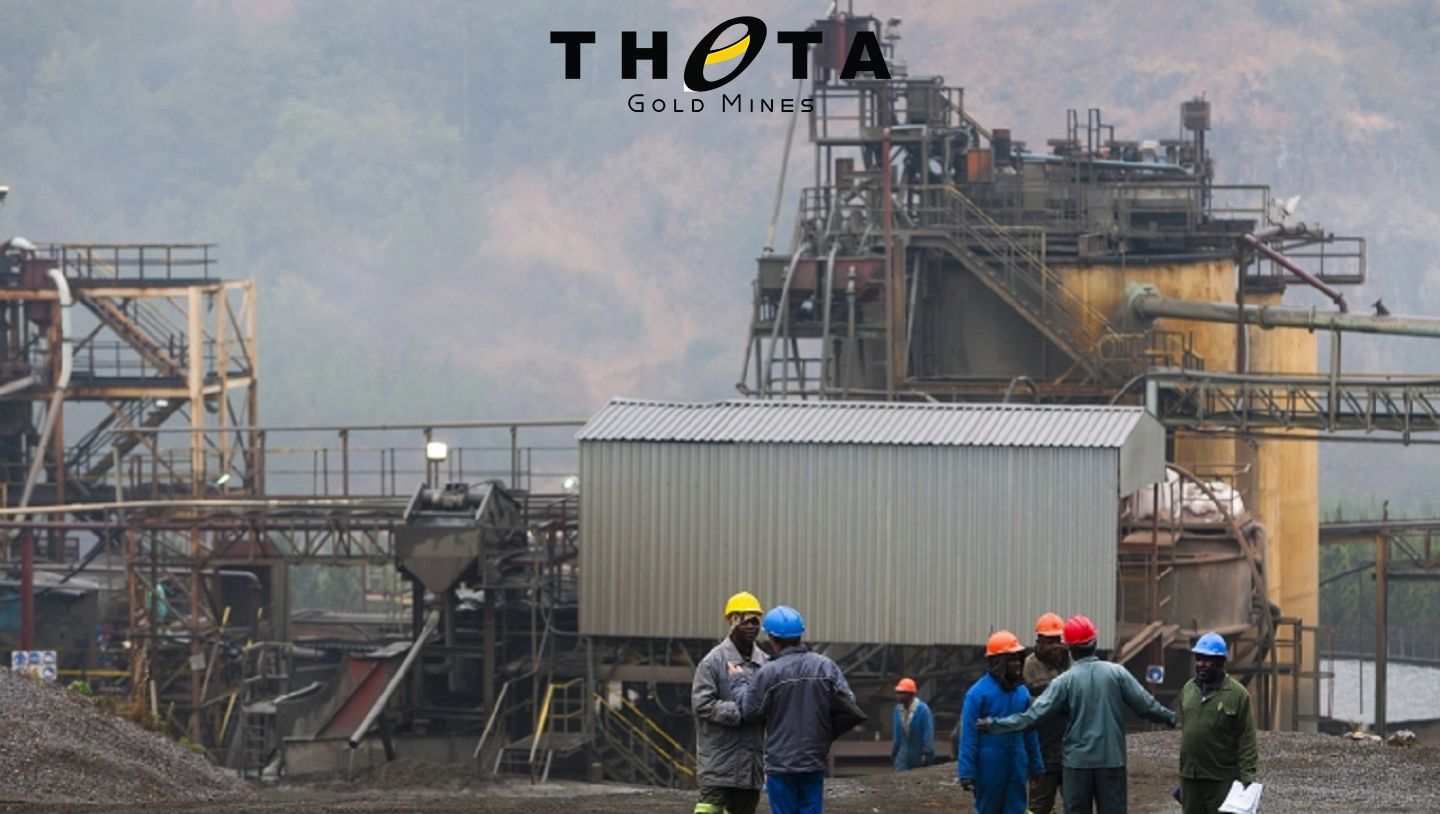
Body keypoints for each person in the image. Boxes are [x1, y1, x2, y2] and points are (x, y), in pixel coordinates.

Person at [982, 615, 1176, 814]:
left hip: (1077, 764)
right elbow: (1146, 706)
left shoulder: (1064, 681)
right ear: (1095, 642)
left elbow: (1031, 717)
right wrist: (1171, 718)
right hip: (1111, 760)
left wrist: (994, 725)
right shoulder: (1117, 673)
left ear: (1070, 648)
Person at [729, 605, 859, 814]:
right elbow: (848, 704)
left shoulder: (769, 672)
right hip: (814, 759)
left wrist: (738, 681)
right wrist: (825, 732)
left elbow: (750, 712)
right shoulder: (825, 666)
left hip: (781, 764)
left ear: (772, 639)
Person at [691, 591, 769, 814]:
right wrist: (741, 713)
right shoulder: (712, 662)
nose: (752, 627)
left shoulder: (765, 664)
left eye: (755, 622)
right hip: (718, 762)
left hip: (751, 765)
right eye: (746, 622)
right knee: (709, 810)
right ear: (733, 622)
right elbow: (702, 704)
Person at [959, 631, 1044, 814]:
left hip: (1017, 765)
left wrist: (1036, 765)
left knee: (1016, 809)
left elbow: (1030, 730)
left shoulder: (1022, 692)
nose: (1018, 664)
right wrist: (966, 772)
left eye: (1018, 659)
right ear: (997, 662)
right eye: (1012, 660)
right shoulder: (977, 694)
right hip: (989, 768)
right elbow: (968, 736)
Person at [1177, 632, 1258, 814]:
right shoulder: (1189, 690)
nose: (1201, 664)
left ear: (1221, 662)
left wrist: (1247, 777)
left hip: (1221, 780)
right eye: (1198, 659)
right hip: (1191, 777)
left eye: (1207, 660)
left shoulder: (1238, 695)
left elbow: (1246, 739)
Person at [1024, 612, 1071, 814]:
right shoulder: (1028, 666)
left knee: (1075, 805)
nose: (1054, 646)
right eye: (1049, 642)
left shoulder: (1072, 662)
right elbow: (1027, 708)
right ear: (1039, 642)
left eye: (1057, 641)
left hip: (1071, 749)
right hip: (1042, 749)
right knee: (1039, 807)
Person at [891, 676, 934, 772]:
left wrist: (927, 753)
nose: (898, 695)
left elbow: (928, 733)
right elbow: (897, 735)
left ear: (910, 694)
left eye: (902, 693)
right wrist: (894, 752)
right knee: (898, 777)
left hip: (919, 754)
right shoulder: (897, 710)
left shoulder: (923, 710)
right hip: (903, 755)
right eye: (898, 693)